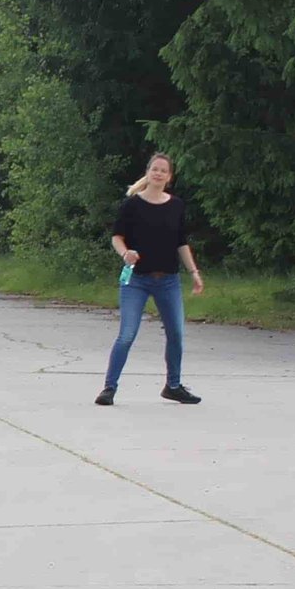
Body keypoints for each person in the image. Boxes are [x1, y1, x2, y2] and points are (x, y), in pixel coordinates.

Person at [97, 152, 204, 406]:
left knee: (176, 333)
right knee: (127, 334)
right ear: (147, 172)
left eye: (163, 170)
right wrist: (126, 253)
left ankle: (173, 386)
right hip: (137, 280)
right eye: (154, 169)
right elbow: (117, 236)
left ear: (169, 177)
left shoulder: (176, 205)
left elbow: (181, 242)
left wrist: (194, 273)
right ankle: (109, 388)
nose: (158, 173)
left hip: (167, 280)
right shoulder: (132, 205)